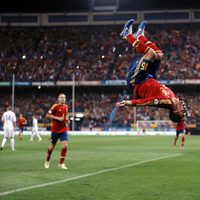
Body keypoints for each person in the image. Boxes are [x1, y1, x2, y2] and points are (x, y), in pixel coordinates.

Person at [116, 19, 186, 123]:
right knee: (159, 55)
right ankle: (140, 36)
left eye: (182, 113)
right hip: (149, 77)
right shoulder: (175, 99)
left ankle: (127, 35)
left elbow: (144, 102)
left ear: (175, 111)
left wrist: (127, 102)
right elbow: (178, 103)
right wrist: (180, 103)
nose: (185, 111)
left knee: (151, 53)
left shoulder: (164, 102)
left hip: (137, 81)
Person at [44, 93, 69, 170]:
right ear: (58, 99)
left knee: (65, 145)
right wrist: (58, 118)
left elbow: (66, 115)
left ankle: (61, 163)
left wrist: (67, 121)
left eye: (64, 97)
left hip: (63, 129)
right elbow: (47, 115)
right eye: (61, 97)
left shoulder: (66, 106)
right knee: (51, 147)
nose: (63, 99)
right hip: (55, 130)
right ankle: (47, 161)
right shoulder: (55, 106)